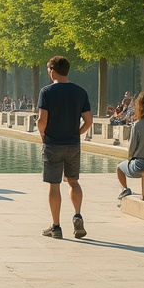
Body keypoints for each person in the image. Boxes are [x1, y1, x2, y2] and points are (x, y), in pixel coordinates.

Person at [36, 56, 92, 239]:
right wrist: (77, 132)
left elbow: (41, 120)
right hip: (73, 143)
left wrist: (43, 135)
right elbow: (89, 121)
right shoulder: (80, 92)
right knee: (73, 181)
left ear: (52, 71)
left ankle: (56, 226)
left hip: (53, 143)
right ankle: (77, 214)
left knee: (54, 184)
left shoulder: (47, 92)